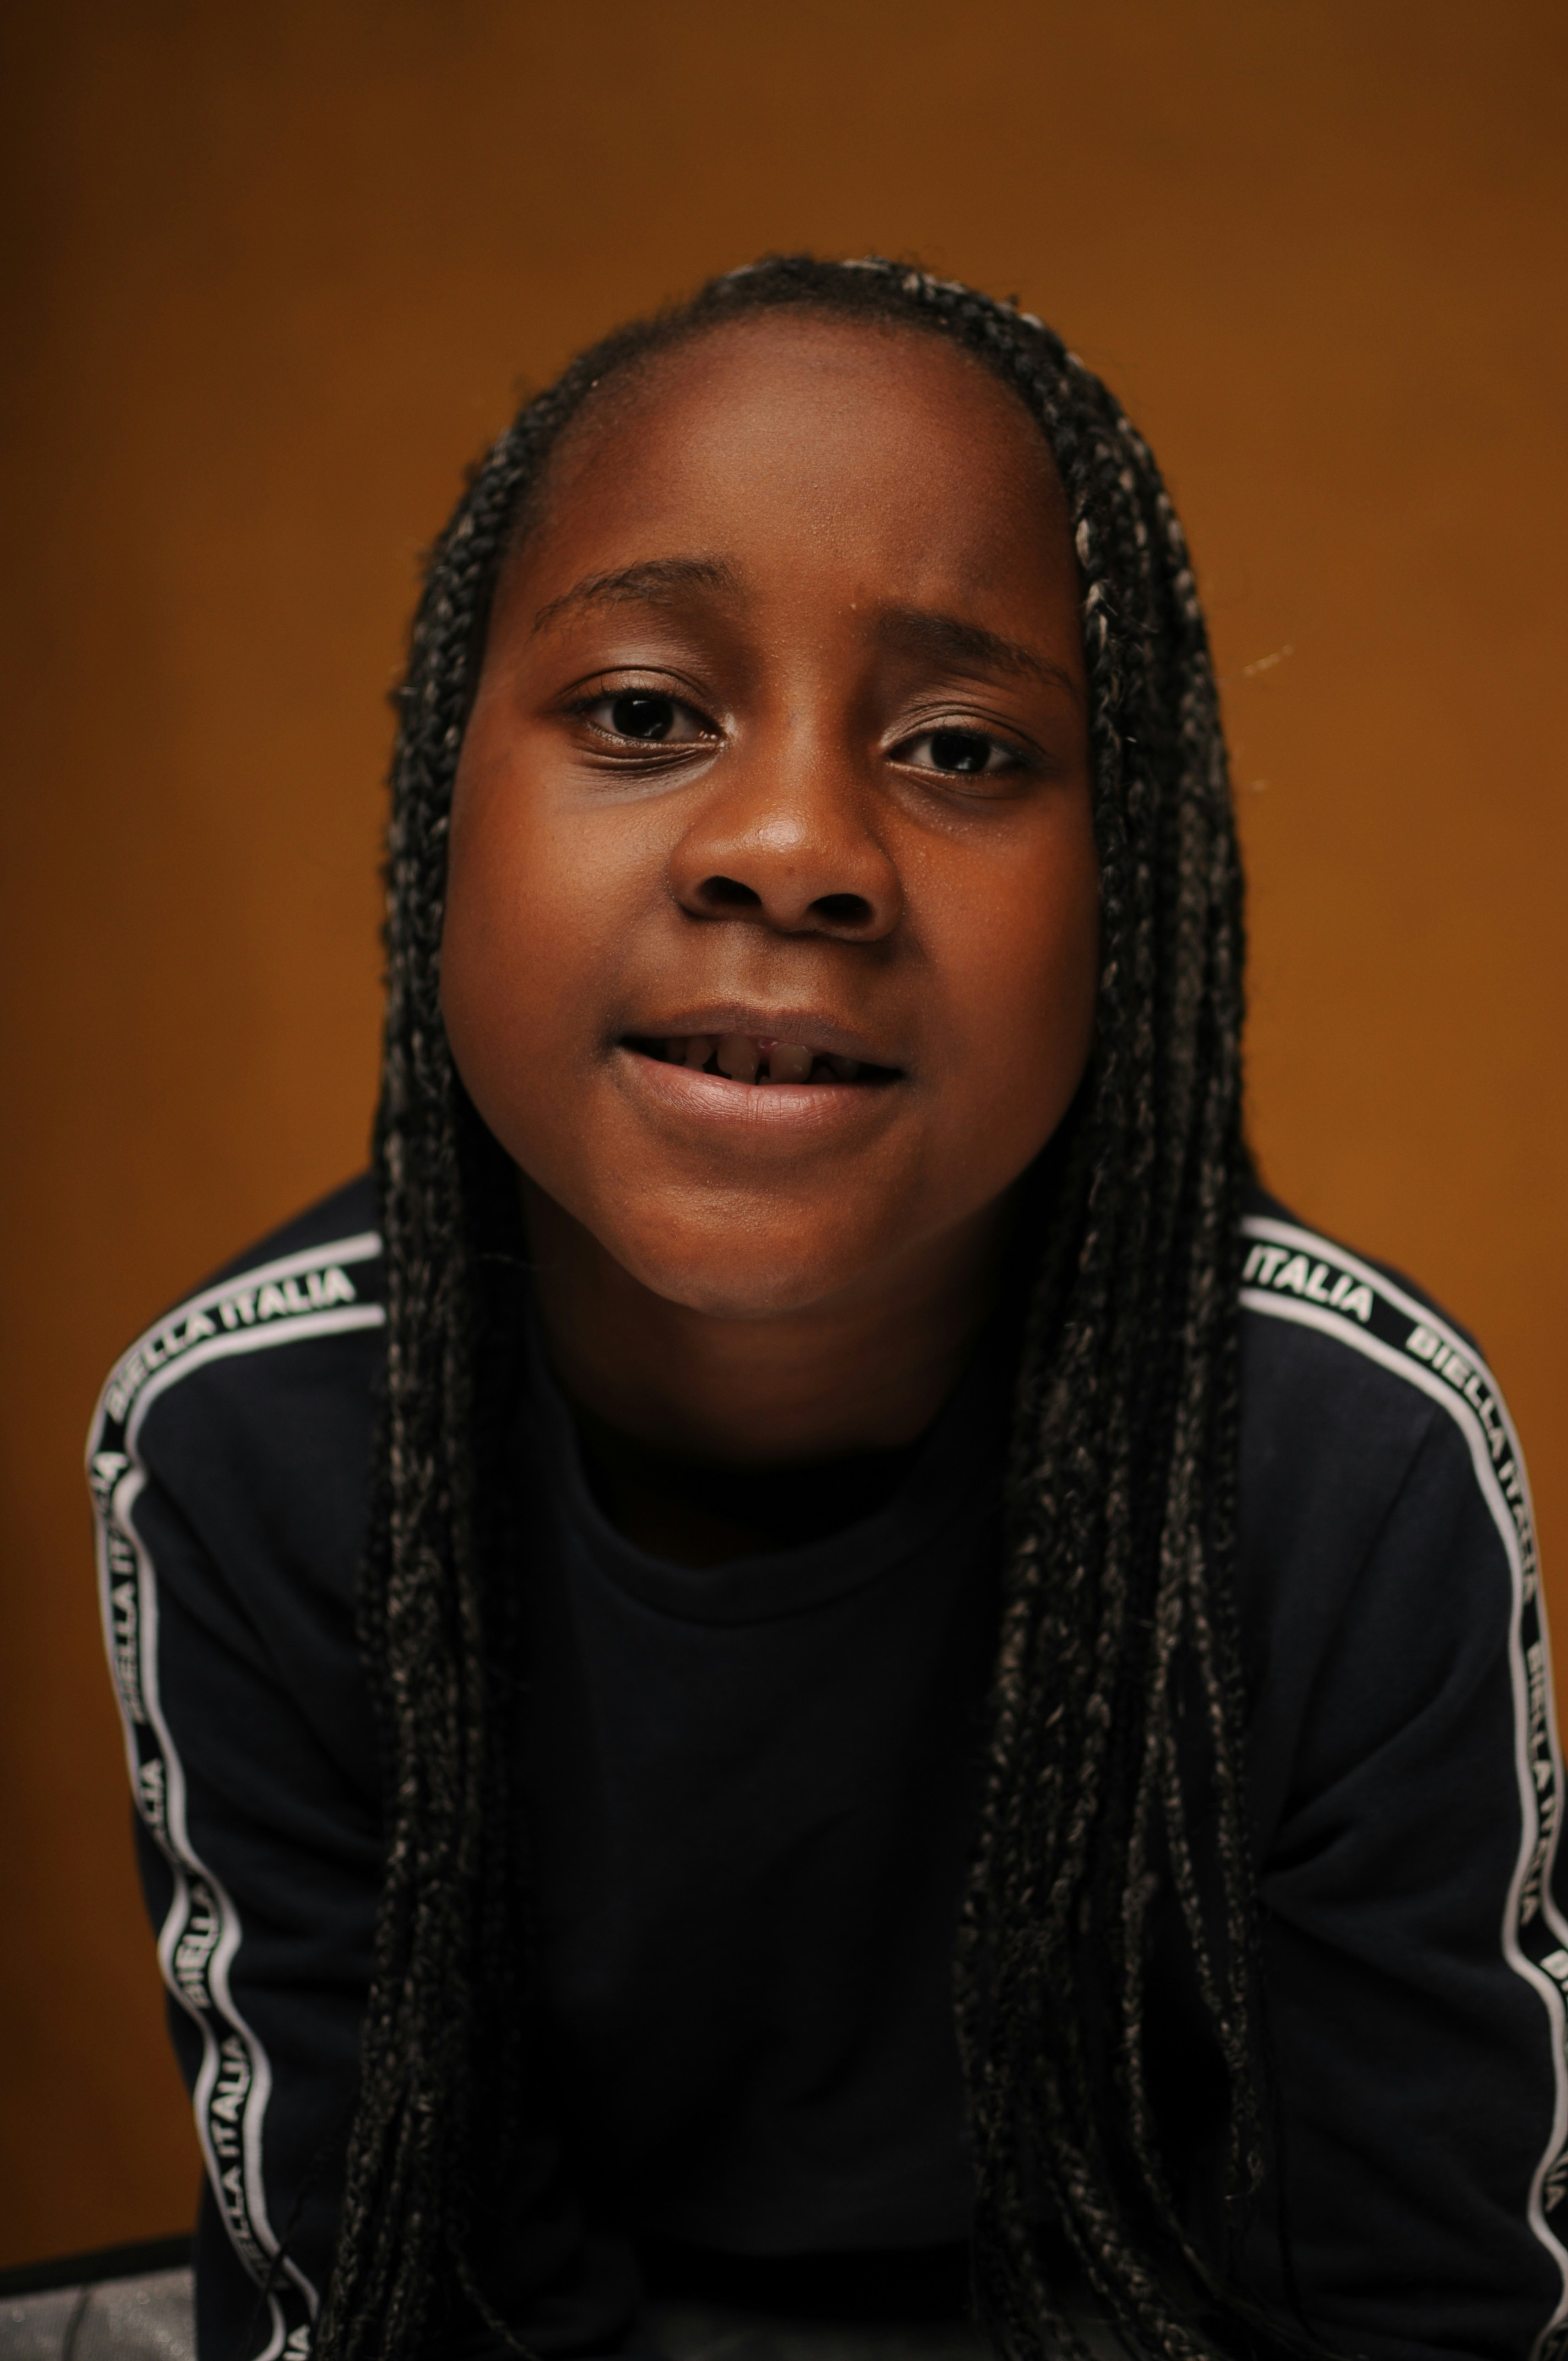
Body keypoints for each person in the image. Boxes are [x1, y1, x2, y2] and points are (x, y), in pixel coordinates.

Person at [86, 255, 1565, 2361]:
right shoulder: (251, 1445)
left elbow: (1431, 2308)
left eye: (962, 746)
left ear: (1133, 885)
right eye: (642, 713)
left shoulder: (1346, 1465)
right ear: (439, 800)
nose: (794, 846)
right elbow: (391, 2275)